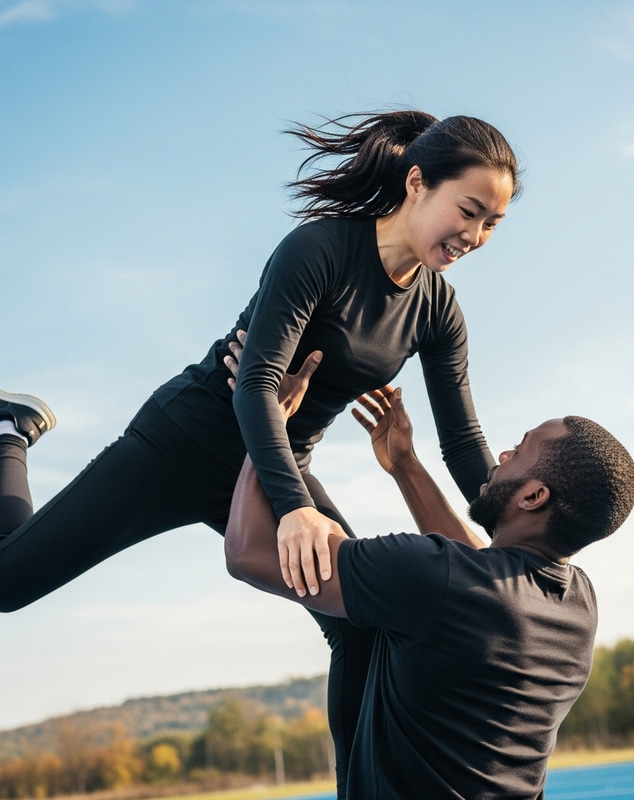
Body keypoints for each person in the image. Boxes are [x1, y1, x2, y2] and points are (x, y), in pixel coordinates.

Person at [0, 110, 520, 792]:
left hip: (274, 465)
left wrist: (517, 531)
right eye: (469, 212)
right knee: (7, 585)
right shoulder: (321, 248)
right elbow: (255, 385)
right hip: (184, 442)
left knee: (361, 623)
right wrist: (296, 508)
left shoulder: (437, 310)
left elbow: (462, 440)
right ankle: (10, 434)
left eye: (492, 224)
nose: (475, 237)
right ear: (417, 183)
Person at [225, 379, 634, 799]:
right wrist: (405, 465)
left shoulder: (431, 575)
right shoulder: (578, 604)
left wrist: (269, 424)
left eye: (519, 450)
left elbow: (247, 553)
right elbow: (476, 570)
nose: (503, 454)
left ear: (533, 496)